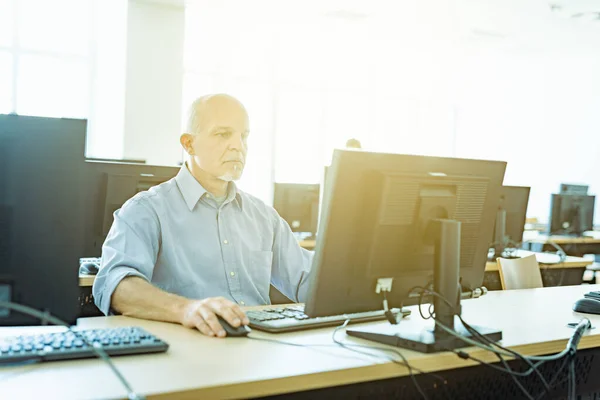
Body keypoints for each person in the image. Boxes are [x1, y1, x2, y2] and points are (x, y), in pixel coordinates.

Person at [93, 94, 313, 338]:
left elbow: (308, 281)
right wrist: (186, 309)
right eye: (223, 134)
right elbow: (116, 285)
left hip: (257, 348)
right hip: (186, 351)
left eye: (244, 136)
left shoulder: (264, 217)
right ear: (189, 144)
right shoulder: (146, 210)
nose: (238, 146)